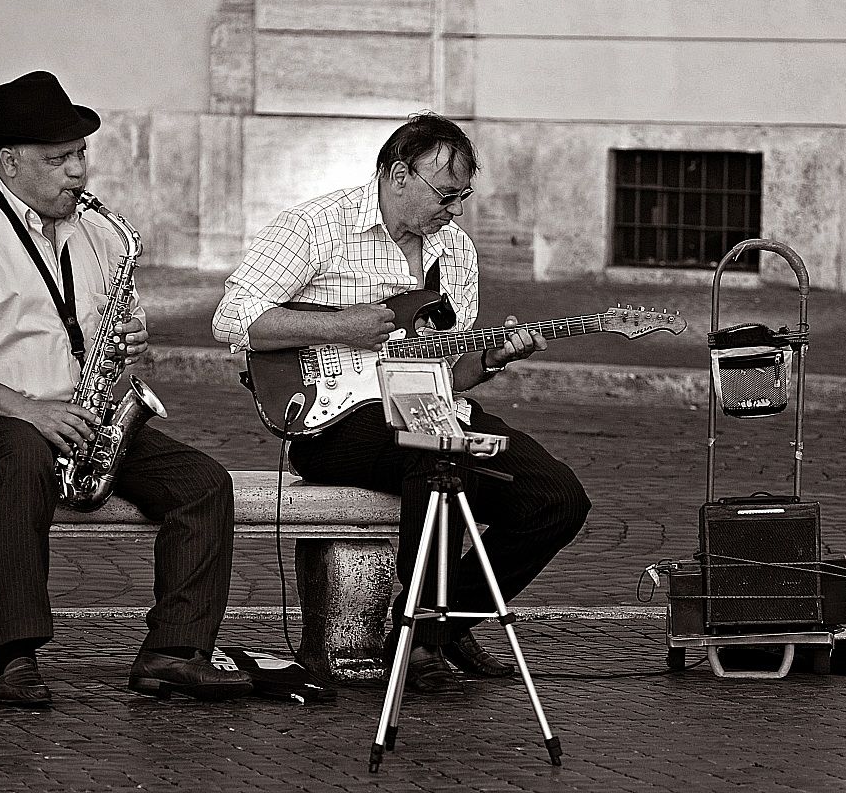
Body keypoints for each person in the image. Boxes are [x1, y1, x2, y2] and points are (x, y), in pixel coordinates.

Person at [212, 112, 591, 695]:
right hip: (331, 417)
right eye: (446, 194)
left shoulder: (456, 251)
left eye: (463, 196)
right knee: (439, 454)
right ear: (397, 175)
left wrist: (492, 358)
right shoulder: (316, 226)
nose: (456, 209)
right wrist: (347, 326)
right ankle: (420, 637)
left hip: (426, 406)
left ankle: (442, 621)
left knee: (558, 498)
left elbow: (448, 371)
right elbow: (232, 319)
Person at [0, 70, 251, 708]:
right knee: (24, 459)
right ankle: (15, 657)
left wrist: (124, 353)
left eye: (81, 155)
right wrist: (31, 411)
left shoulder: (98, 235)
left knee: (205, 484)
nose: (77, 173)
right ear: (10, 161)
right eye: (58, 159)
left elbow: (100, 341)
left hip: (85, 415)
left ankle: (174, 652)